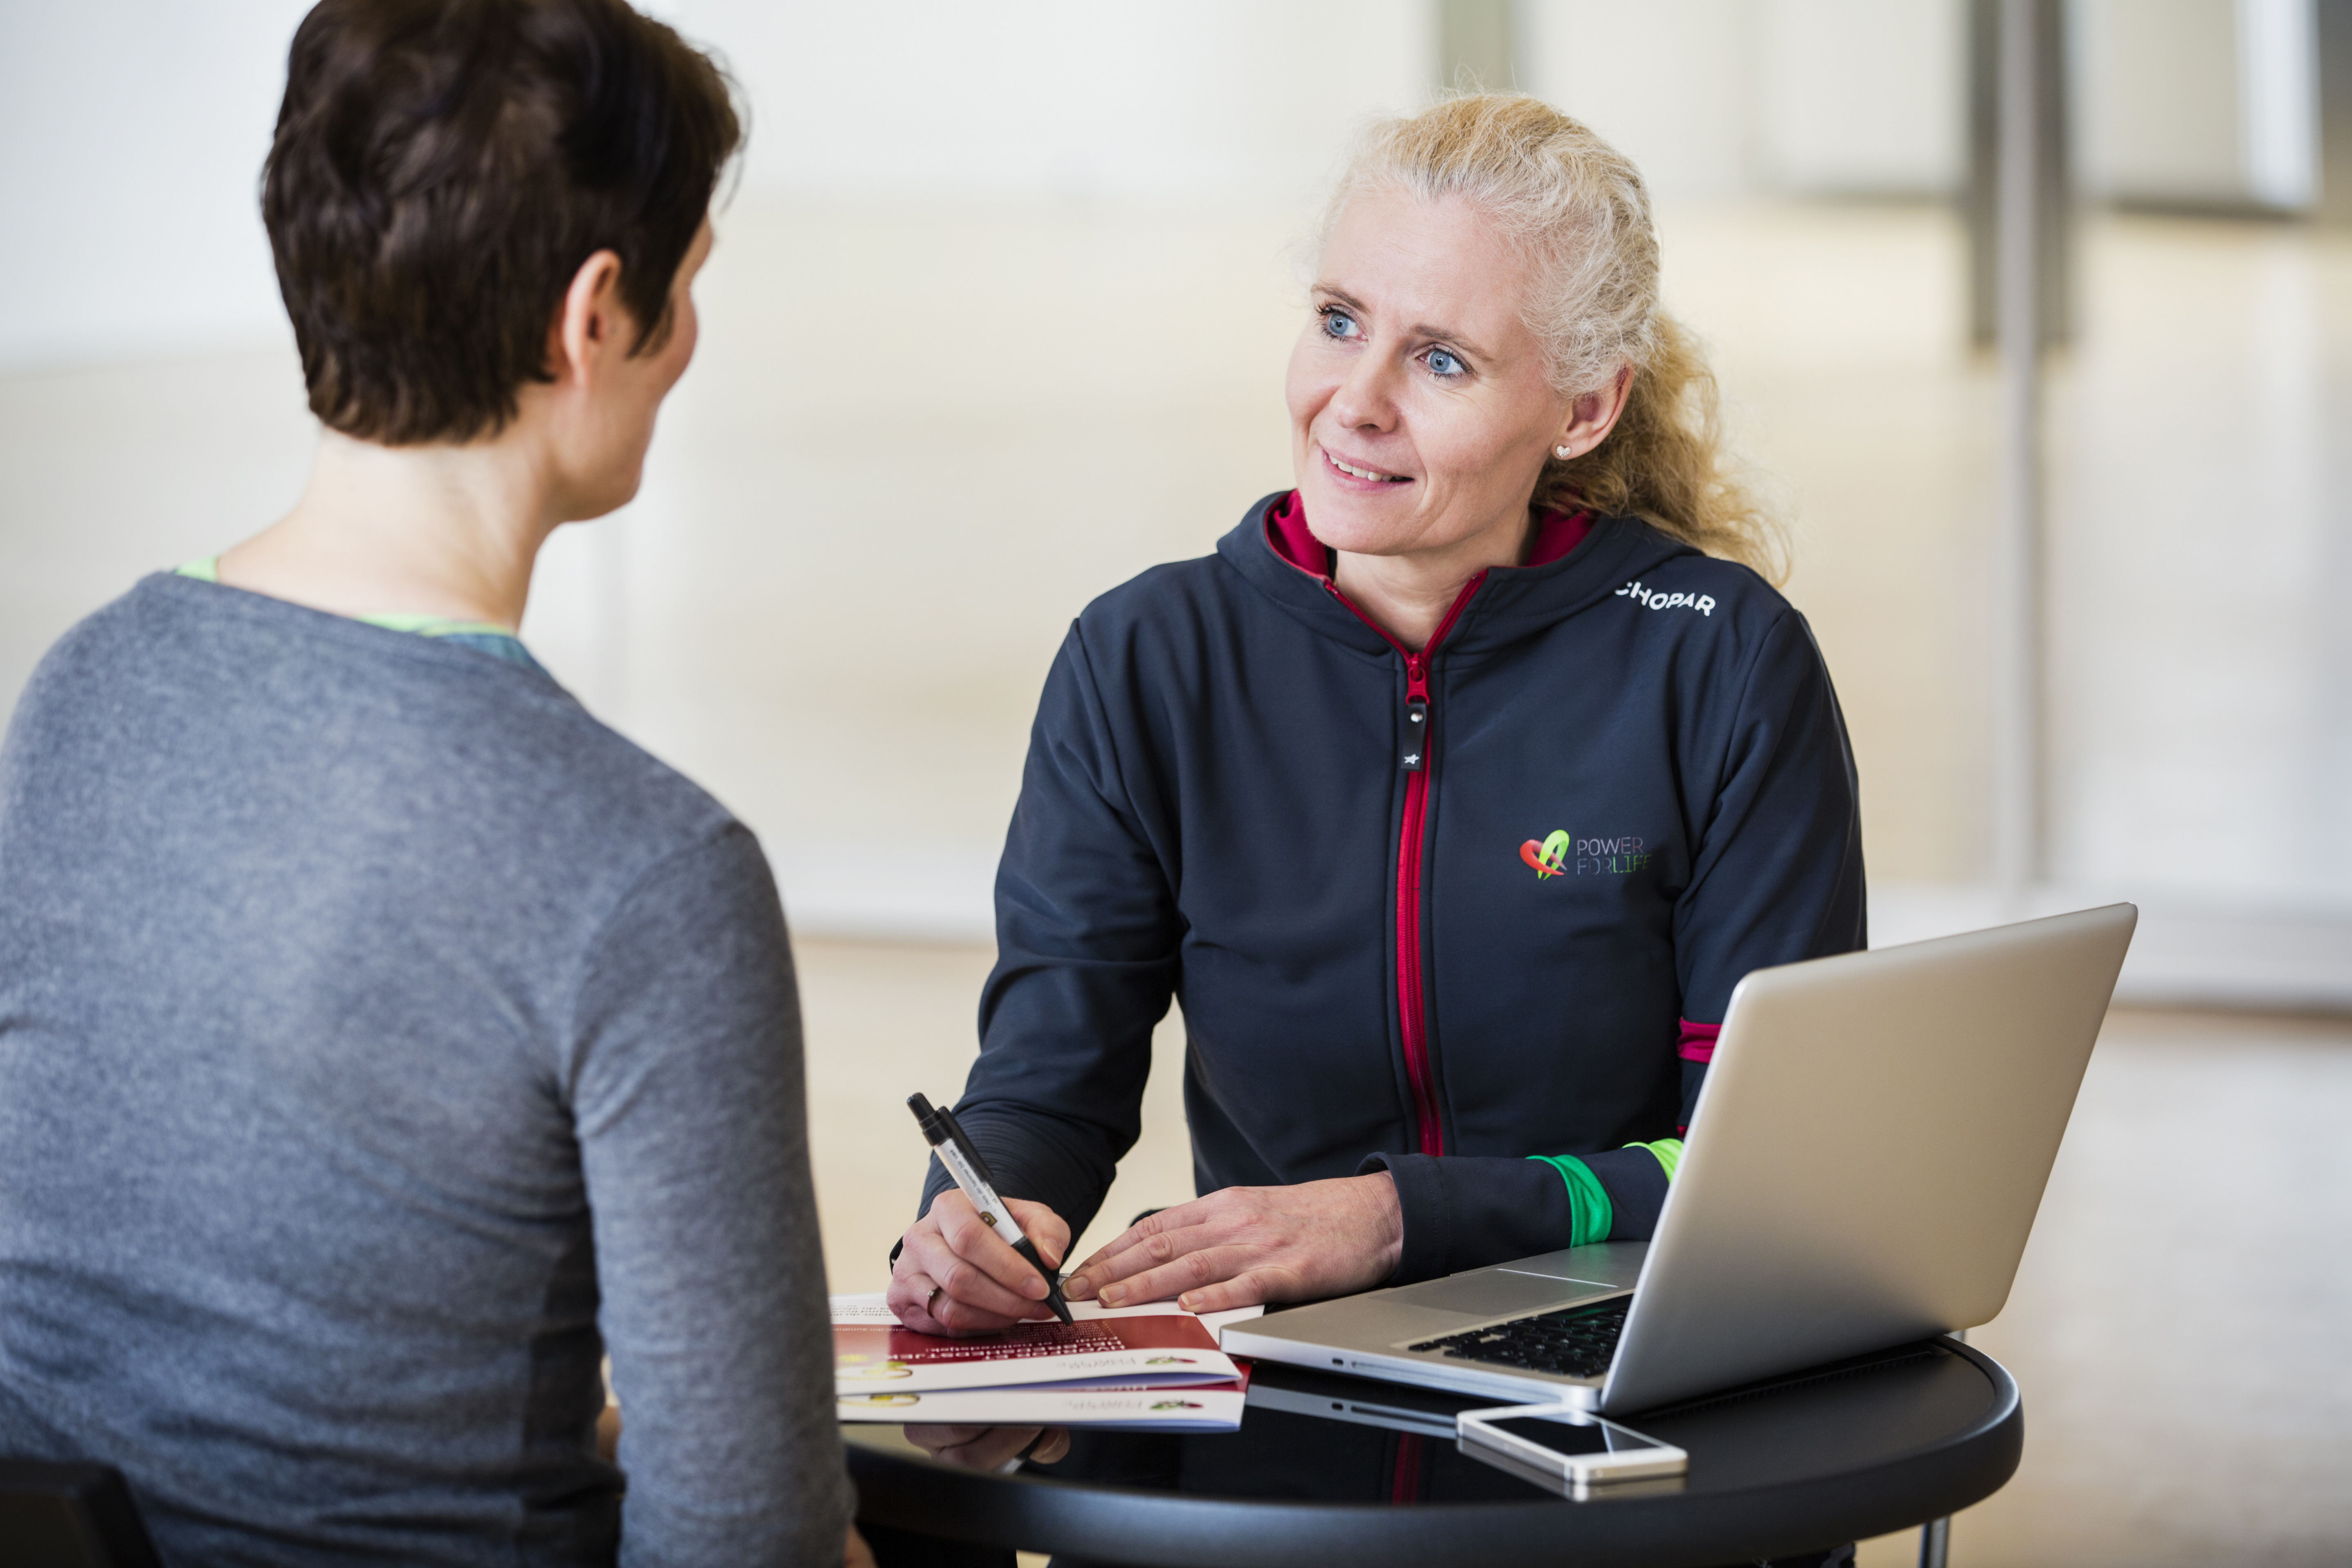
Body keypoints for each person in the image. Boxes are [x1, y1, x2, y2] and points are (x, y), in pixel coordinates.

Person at [0, 2, 864, 1563]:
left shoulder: (86, 694)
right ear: (594, 316)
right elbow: (750, 1537)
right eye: (688, 292)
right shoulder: (647, 870)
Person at [889, 94, 1865, 1337]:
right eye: (1339, 322)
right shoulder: (1143, 660)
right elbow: (1047, 1084)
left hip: (1637, 1378)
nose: (1354, 401)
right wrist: (985, 1222)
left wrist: (1400, 1217)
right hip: (1286, 1386)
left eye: (1441, 358)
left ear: (1583, 410)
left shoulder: (1725, 665)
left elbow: (1760, 1167)